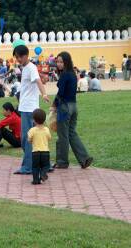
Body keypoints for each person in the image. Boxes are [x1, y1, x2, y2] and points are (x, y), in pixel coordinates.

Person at [12, 44, 50, 175]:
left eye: (19, 57)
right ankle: (45, 164)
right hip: (26, 107)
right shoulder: (28, 68)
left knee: (27, 139)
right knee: (35, 137)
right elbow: (38, 78)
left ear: (26, 56)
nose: (18, 60)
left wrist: (44, 94)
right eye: (16, 57)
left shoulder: (31, 67)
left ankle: (28, 166)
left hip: (29, 108)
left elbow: (38, 81)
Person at [51, 51, 93, 169]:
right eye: (57, 62)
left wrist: (54, 105)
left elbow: (61, 93)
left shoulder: (64, 75)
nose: (59, 64)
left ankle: (62, 162)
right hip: (74, 106)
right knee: (71, 133)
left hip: (64, 108)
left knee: (63, 135)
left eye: (61, 62)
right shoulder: (73, 73)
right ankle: (84, 158)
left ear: (66, 62)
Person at [28, 109, 51, 185]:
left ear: (34, 120)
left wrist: (31, 141)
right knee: (46, 165)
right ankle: (43, 174)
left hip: (35, 152)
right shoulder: (46, 129)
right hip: (45, 152)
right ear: (44, 120)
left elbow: (29, 139)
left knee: (35, 167)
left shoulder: (32, 130)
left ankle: (35, 180)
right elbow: (49, 138)